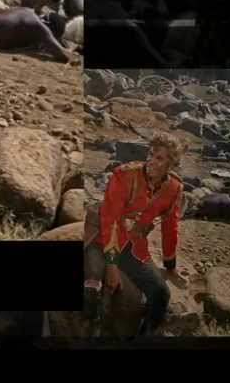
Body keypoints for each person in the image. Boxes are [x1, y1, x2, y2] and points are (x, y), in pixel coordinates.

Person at [84, 135, 188, 337]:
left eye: (159, 158)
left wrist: (170, 266)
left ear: (171, 164)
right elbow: (111, 221)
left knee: (161, 293)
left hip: (133, 248)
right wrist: (112, 267)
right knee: (91, 293)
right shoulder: (124, 175)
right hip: (101, 237)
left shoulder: (174, 188)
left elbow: (170, 227)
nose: (151, 161)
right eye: (151, 154)